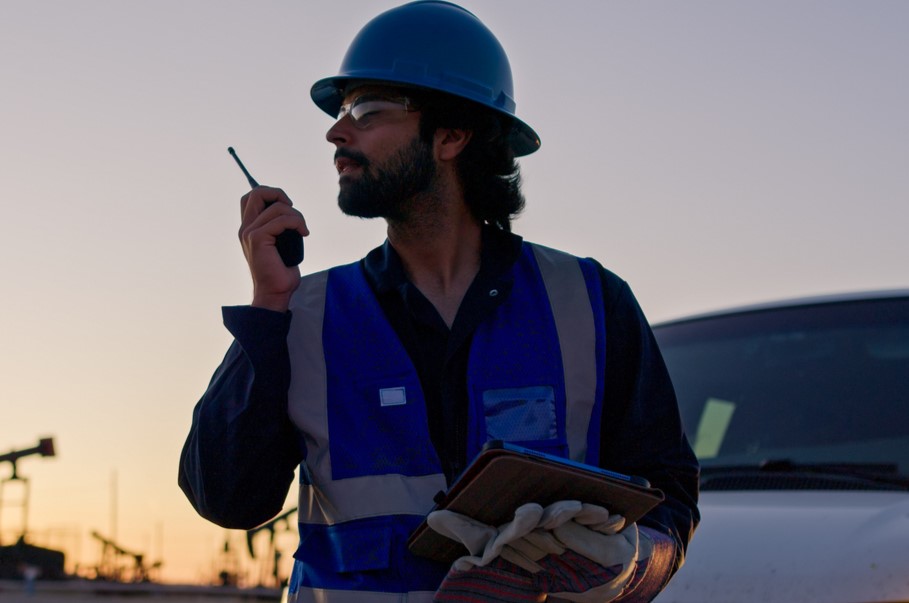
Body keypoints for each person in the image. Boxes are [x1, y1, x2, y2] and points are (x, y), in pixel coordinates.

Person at [179, 1, 699, 601]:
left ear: (452, 135)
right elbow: (226, 498)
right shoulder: (302, 314)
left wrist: (626, 568)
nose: (335, 132)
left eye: (366, 110)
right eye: (341, 112)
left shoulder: (590, 302)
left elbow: (669, 501)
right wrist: (267, 306)